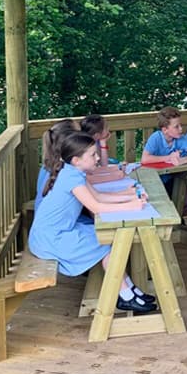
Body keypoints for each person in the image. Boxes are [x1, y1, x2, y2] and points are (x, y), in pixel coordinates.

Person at [29, 131, 156, 314]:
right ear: (76, 160)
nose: (97, 158)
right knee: (108, 242)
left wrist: (129, 195)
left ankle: (129, 290)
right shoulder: (72, 177)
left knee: (110, 241)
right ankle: (125, 295)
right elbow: (96, 207)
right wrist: (132, 205)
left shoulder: (72, 171)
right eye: (93, 155)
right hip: (51, 239)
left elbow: (97, 196)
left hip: (51, 234)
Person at [141, 106, 187, 203]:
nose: (181, 129)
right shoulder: (156, 138)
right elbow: (144, 159)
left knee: (185, 194)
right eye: (176, 126)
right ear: (165, 130)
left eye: (181, 125)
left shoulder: (181, 138)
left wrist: (183, 160)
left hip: (172, 178)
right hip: (154, 180)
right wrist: (169, 157)